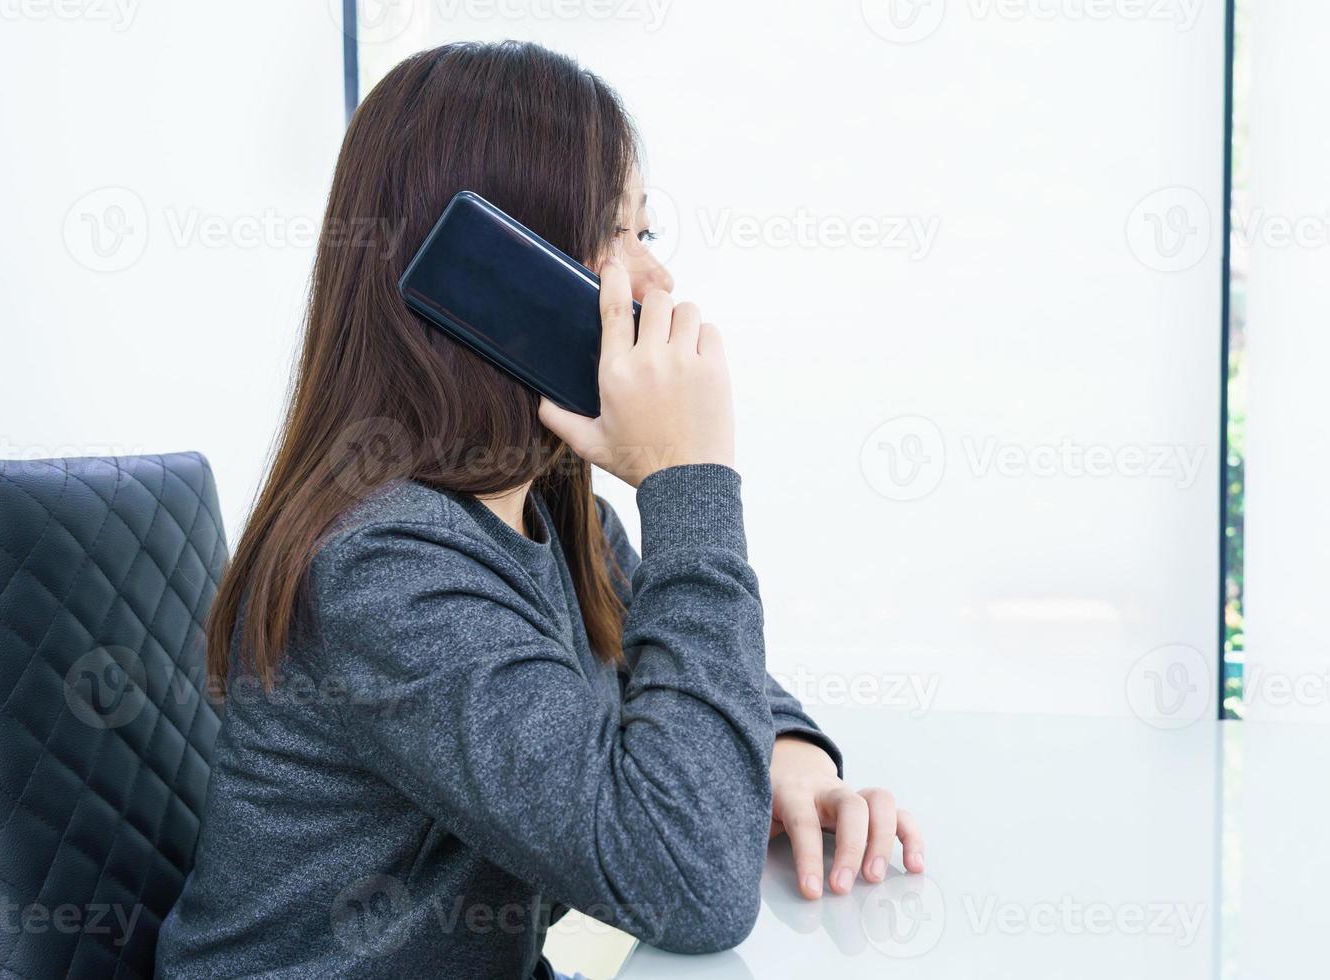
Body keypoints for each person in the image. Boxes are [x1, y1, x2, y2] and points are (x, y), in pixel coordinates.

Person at [156, 40, 923, 980]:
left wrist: (793, 753)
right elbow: (690, 884)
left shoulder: (559, 522)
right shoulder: (386, 567)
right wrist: (690, 483)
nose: (657, 282)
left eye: (651, 235)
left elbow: (686, 675)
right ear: (487, 273)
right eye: (619, 237)